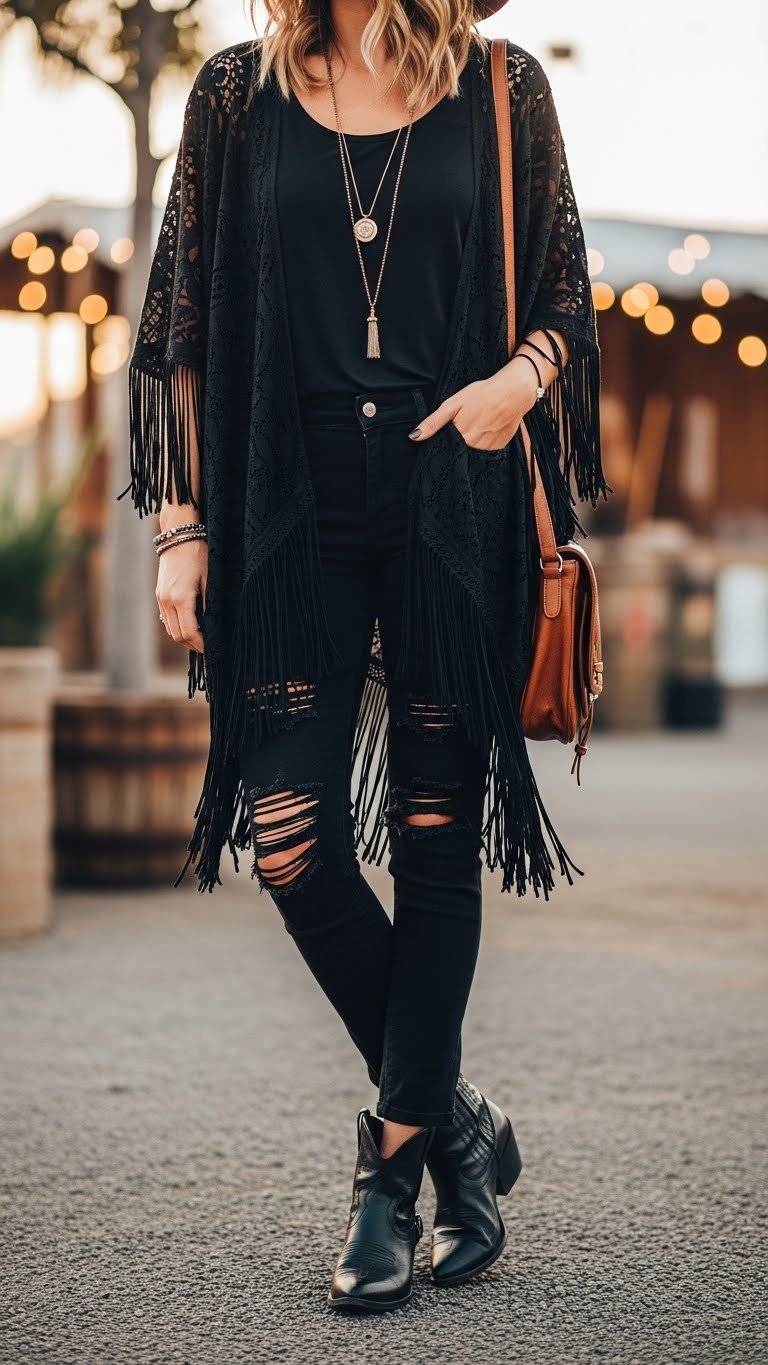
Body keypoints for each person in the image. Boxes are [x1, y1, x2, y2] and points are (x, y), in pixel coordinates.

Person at [123, 0, 611, 1314]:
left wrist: (516, 384)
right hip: (288, 506)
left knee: (438, 837)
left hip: (453, 499)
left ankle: (391, 1173)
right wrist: (181, 526)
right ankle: (457, 1123)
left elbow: (566, 295)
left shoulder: (500, 88)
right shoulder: (237, 94)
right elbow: (182, 326)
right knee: (290, 834)